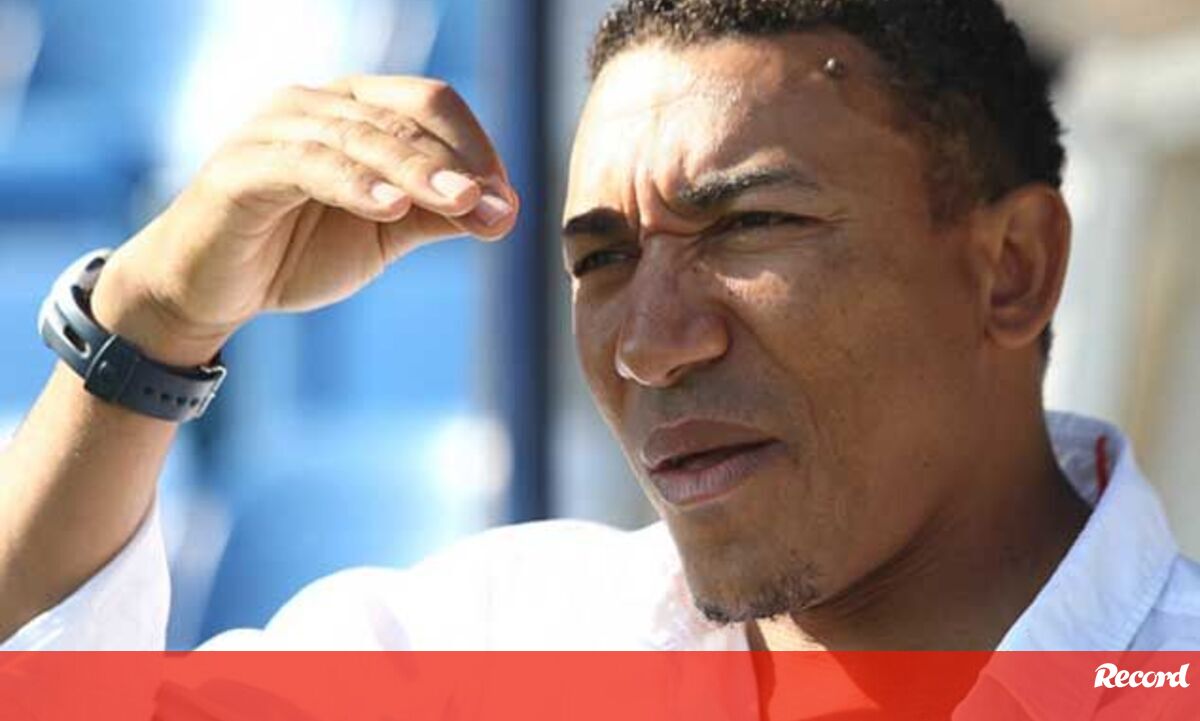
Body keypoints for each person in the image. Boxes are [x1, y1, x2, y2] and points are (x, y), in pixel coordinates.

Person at [1, 0, 1198, 659]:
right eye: (601, 259)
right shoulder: (497, 644)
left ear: (1012, 269)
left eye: (751, 226)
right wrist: (150, 323)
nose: (648, 342)